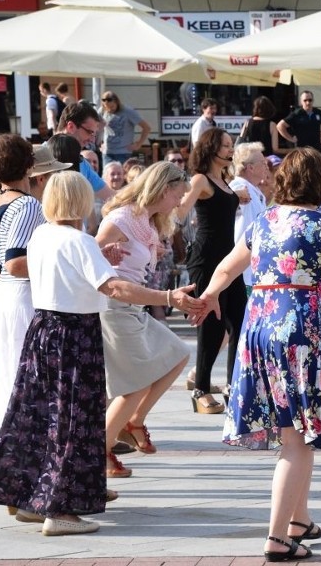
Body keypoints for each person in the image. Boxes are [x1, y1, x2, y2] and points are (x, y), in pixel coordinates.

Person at [192, 148, 321, 562]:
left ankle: (298, 521)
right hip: (298, 331)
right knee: (298, 439)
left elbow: (225, 269)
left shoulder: (266, 220)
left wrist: (208, 297)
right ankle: (277, 539)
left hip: (258, 327)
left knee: (292, 431)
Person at [0, 170, 202, 537]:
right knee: (73, 422)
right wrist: (167, 297)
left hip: (43, 330)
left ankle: (33, 498)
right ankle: (61, 511)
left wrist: (98, 252)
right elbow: (113, 286)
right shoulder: (78, 241)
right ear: (80, 201)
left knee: (40, 418)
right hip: (74, 334)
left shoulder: (42, 236)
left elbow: (58, 267)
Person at [96, 162, 192, 478]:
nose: (179, 201)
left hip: (134, 307)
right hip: (114, 307)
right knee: (134, 386)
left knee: (177, 353)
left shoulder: (148, 222)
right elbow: (88, 260)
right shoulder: (121, 218)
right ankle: (98, 458)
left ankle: (133, 422)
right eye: (177, 195)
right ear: (163, 189)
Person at [0, 138, 71, 476]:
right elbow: (15, 262)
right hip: (22, 296)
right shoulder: (27, 205)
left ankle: (8, 469)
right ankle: (24, 472)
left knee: (10, 382)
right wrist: (61, 264)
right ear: (28, 165)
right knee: (30, 384)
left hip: (7, 297)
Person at [177, 127, 247, 413]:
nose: (231, 150)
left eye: (232, 145)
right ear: (211, 149)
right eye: (227, 146)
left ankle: (235, 387)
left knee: (239, 324)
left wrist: (237, 196)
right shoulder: (200, 180)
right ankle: (201, 390)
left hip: (228, 261)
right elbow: (180, 211)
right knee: (212, 325)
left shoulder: (224, 180)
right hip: (206, 260)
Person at [229, 142, 270, 293]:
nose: (267, 166)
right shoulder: (238, 187)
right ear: (250, 167)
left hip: (254, 268)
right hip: (243, 270)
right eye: (263, 163)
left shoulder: (255, 191)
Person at [57, 102, 115, 202]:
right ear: (71, 126)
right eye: (90, 132)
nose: (92, 140)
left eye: (94, 134)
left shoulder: (82, 163)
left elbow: (111, 196)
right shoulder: (39, 159)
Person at [98, 90, 151, 166]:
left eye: (112, 107)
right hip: (107, 153)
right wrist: (100, 143)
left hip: (123, 153)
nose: (110, 110)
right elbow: (94, 127)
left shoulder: (128, 111)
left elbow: (146, 128)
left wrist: (139, 144)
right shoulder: (102, 111)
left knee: (123, 176)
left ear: (117, 102)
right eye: (107, 107)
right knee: (107, 176)